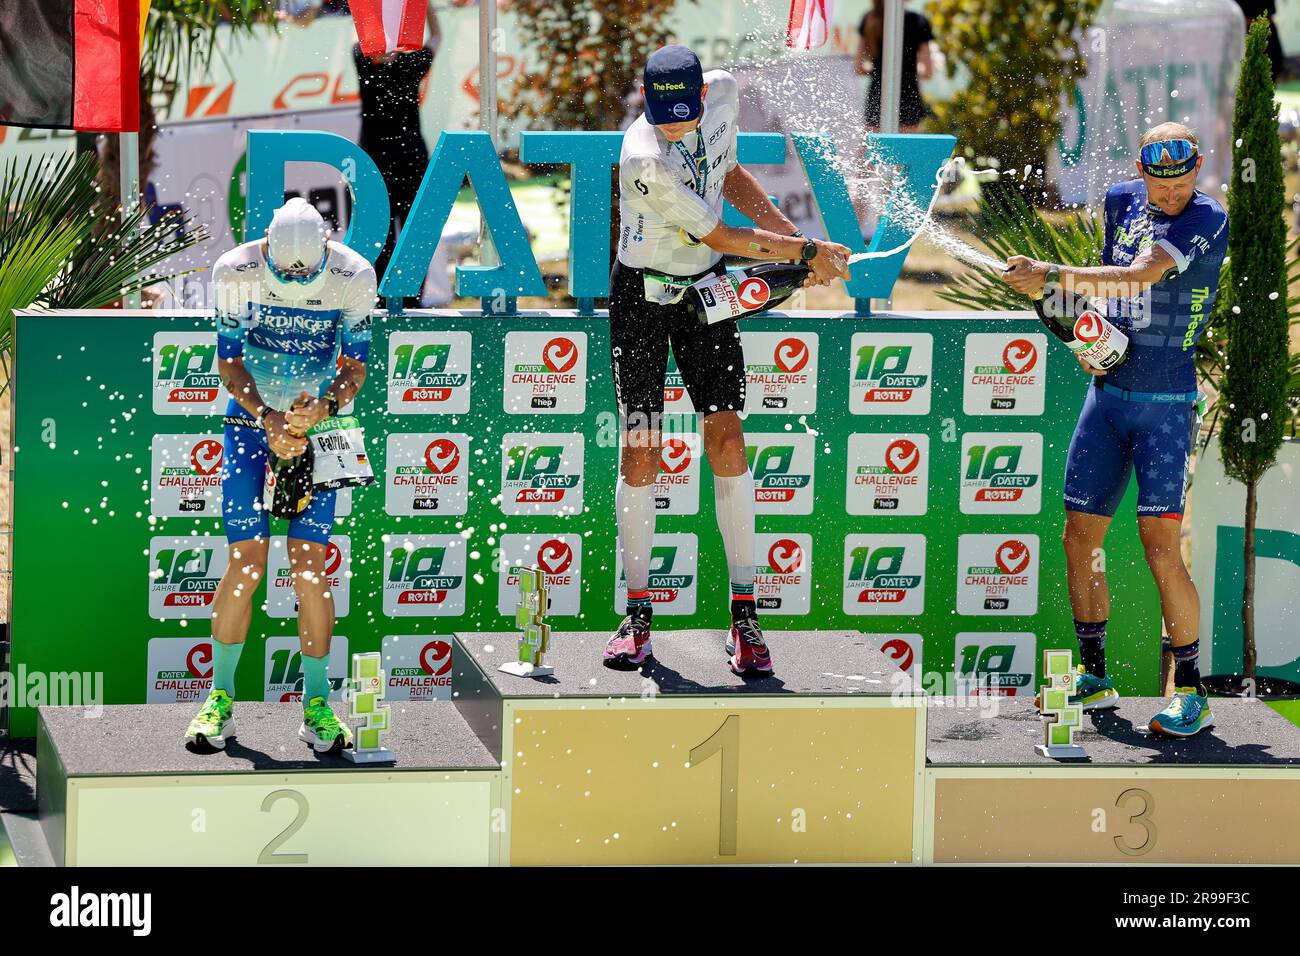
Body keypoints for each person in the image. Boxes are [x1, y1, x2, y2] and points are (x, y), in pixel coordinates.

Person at [605, 44, 851, 676]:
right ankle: (637, 619)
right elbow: (716, 233)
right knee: (642, 445)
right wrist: (803, 254)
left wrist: (799, 243)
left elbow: (730, 173)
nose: (678, 125)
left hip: (705, 289)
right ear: (646, 100)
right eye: (666, 115)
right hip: (643, 297)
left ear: (704, 94)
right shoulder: (642, 157)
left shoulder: (726, 94)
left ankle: (745, 618)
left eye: (687, 113)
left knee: (729, 440)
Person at [1002, 122, 1228, 738]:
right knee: (1080, 536)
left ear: (1199, 169)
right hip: (1106, 397)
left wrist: (1049, 273)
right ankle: (1095, 676)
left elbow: (1138, 276)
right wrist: (1089, 335)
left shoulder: (1207, 217)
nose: (1173, 194)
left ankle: (1191, 692)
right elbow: (1110, 283)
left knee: (1160, 549)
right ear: (1141, 170)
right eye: (1163, 184)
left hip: (1166, 404)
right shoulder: (1122, 200)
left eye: (1184, 183)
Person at [185, 197, 377, 752]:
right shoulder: (236, 269)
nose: (295, 281)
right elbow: (229, 362)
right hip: (250, 423)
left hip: (320, 427)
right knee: (247, 563)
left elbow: (355, 367)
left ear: (325, 254)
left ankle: (317, 703)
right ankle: (218, 698)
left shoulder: (353, 274)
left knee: (310, 567)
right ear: (266, 248)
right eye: (284, 272)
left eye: (307, 275)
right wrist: (267, 418)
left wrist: (324, 410)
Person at [353, 2, 440, 303]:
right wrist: (427, 10)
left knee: (402, 231)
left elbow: (367, 43)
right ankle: (403, 296)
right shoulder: (409, 63)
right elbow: (437, 38)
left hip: (385, 158)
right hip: (402, 157)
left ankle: (395, 297)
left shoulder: (366, 60)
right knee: (399, 232)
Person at [857, 0, 935, 132]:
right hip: (909, 94)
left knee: (871, 149)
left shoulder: (870, 18)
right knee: (907, 150)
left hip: (878, 93)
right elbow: (927, 71)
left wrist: (880, 69)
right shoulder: (918, 22)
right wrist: (906, 70)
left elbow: (859, 67)